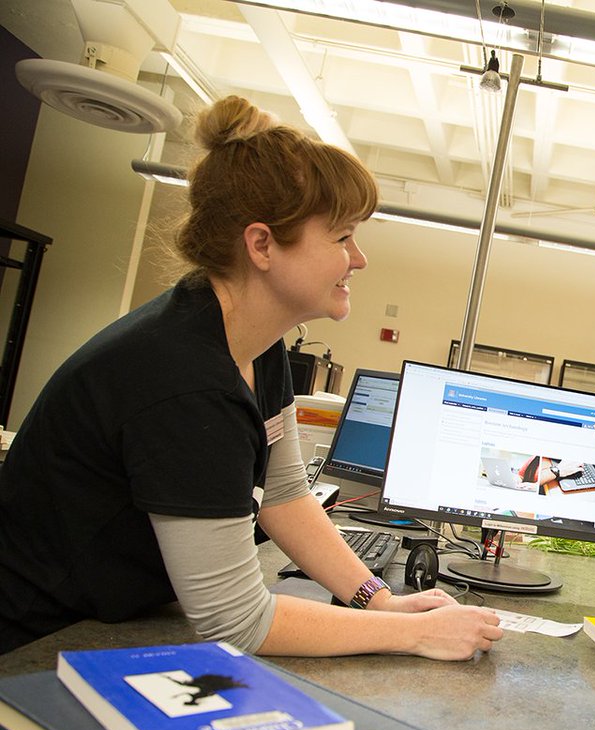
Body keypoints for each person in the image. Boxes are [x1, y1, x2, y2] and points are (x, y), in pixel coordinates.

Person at [0, 96, 503, 658]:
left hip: (109, 622)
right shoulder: (184, 381)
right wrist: (412, 633)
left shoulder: (253, 344)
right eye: (341, 237)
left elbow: (284, 496)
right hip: (33, 644)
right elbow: (237, 622)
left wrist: (376, 598)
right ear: (262, 244)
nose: (357, 259)